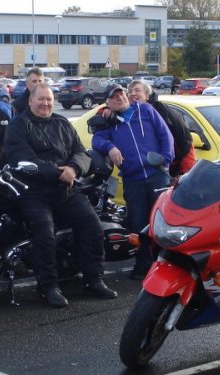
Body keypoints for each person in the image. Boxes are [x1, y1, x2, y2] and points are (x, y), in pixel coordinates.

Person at [4, 83, 117, 308]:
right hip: (33, 191)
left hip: (65, 188)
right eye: (41, 99)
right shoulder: (18, 126)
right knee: (44, 231)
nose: (45, 103)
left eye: (49, 99)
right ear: (30, 101)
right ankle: (48, 287)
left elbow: (81, 152)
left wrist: (74, 169)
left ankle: (94, 279)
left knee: (92, 225)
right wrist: (59, 172)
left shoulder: (62, 122)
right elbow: (22, 158)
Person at [90, 85, 174, 280]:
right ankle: (144, 265)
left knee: (164, 222)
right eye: (114, 97)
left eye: (122, 94)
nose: (120, 98)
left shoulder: (145, 109)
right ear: (108, 103)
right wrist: (110, 147)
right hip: (133, 179)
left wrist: (166, 161)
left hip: (157, 175)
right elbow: (97, 140)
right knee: (138, 224)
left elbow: (165, 135)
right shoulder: (108, 121)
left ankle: (168, 264)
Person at [128, 80, 195, 177]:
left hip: (164, 171)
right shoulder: (126, 114)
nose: (133, 93)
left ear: (147, 96)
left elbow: (184, 141)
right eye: (130, 91)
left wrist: (184, 174)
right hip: (136, 175)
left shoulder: (162, 113)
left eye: (137, 90)